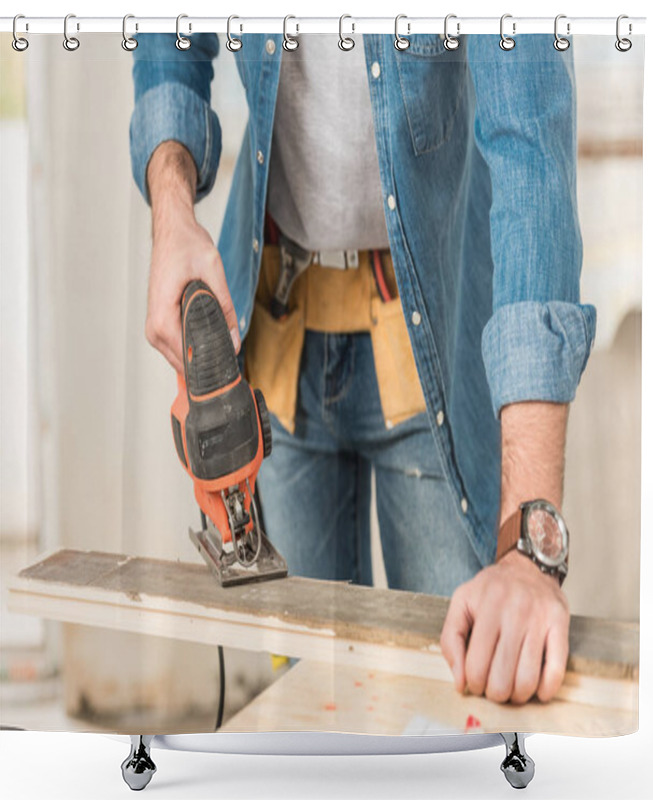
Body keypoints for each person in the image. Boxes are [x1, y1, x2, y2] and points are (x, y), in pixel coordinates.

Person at [130, 30, 595, 706]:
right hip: (277, 340)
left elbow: (531, 151)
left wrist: (529, 547)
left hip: (430, 340)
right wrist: (172, 211)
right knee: (308, 697)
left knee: (454, 697)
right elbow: (169, 39)